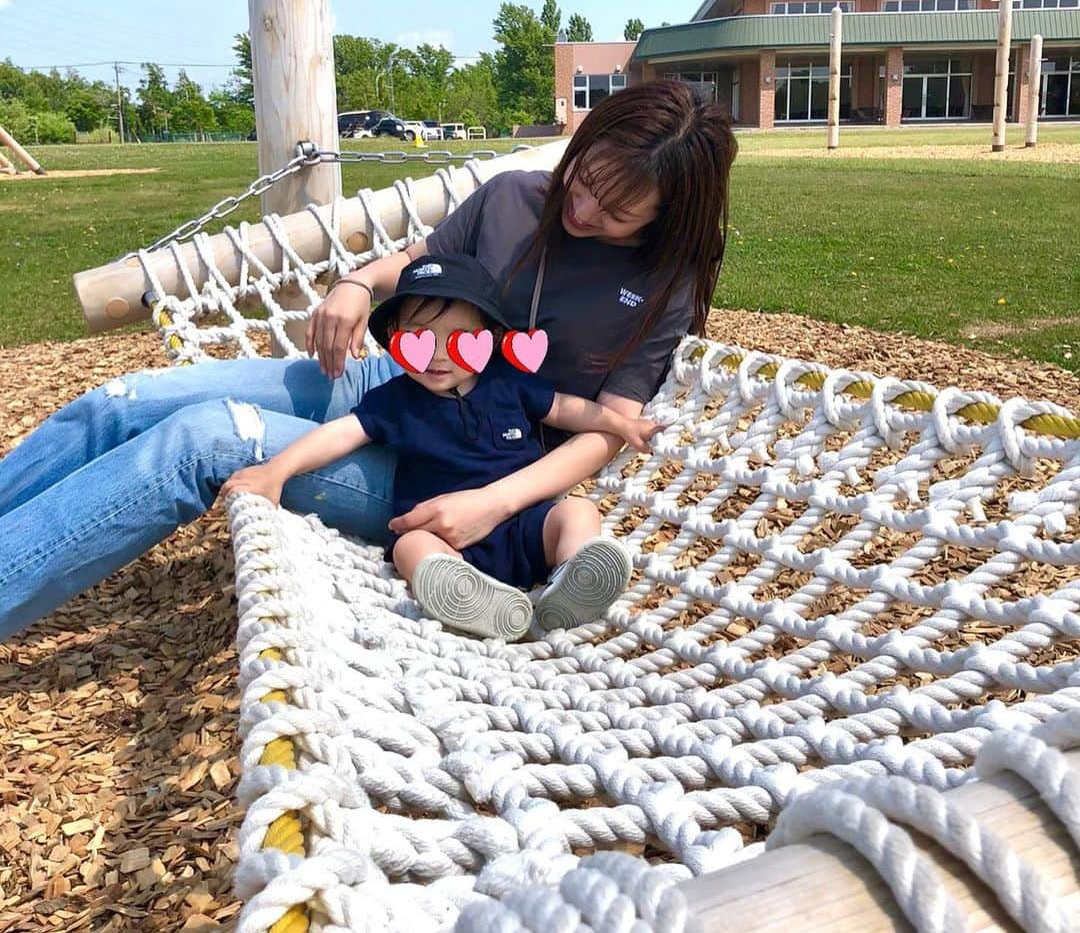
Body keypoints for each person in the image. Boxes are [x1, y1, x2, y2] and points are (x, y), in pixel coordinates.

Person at [0, 81, 737, 641]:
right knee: (120, 402)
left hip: (459, 463)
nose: (582, 210)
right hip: (385, 384)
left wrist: (495, 504)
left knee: (202, 439)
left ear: (668, 213)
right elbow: (417, 264)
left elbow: (607, 430)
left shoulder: (662, 285)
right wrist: (355, 284)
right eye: (585, 179)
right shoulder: (516, 197)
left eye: (615, 211)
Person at [219, 254, 659, 639]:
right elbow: (339, 434)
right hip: (445, 537)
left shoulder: (508, 383)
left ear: (487, 337)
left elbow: (565, 409)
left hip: (526, 524)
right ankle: (471, 599)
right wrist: (276, 471)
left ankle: (573, 578)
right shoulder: (396, 401)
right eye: (420, 337)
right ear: (394, 337)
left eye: (458, 339)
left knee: (578, 513)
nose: (438, 355)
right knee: (411, 548)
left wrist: (620, 423)